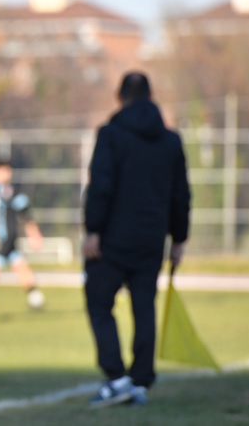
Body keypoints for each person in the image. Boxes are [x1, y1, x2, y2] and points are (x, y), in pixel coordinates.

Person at [82, 71, 190, 407]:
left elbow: (101, 184)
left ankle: (117, 378)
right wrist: (179, 238)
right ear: (151, 96)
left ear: (120, 97)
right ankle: (140, 381)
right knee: (144, 307)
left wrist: (93, 230)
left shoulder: (111, 134)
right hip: (152, 238)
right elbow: (181, 194)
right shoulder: (170, 141)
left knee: (99, 302)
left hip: (113, 238)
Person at [0, 159, 46, 311]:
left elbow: (25, 213)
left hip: (7, 237)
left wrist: (34, 234)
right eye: (0, 170)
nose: (4, 174)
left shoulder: (9, 192)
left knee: (4, 266)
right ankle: (35, 298)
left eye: (6, 170)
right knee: (16, 266)